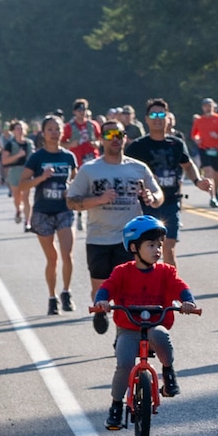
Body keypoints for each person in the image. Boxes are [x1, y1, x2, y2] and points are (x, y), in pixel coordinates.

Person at [91, 215, 201, 430]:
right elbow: (107, 287)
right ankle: (116, 407)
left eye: (159, 245)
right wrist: (101, 301)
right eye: (151, 245)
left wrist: (188, 302)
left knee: (161, 336)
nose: (157, 250)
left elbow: (180, 286)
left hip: (154, 325)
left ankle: (168, 373)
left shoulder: (166, 272)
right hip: (128, 328)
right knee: (124, 362)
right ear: (133, 247)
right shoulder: (122, 272)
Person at [67, 123, 164, 302]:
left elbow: (159, 194)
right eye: (110, 134)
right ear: (101, 139)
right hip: (99, 238)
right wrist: (99, 199)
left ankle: (125, 326)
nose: (115, 138)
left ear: (124, 137)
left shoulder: (138, 167)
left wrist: (152, 197)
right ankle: (100, 312)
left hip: (130, 239)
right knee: (100, 289)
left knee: (128, 290)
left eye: (119, 134)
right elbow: (71, 201)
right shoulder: (89, 169)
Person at [127, 98, 206, 266]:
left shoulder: (176, 144)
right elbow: (125, 170)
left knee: (167, 247)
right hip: (145, 205)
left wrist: (198, 181)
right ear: (146, 119)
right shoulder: (138, 146)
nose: (157, 118)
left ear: (168, 117)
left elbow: (188, 165)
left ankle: (172, 289)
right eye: (153, 114)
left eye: (161, 114)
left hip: (171, 203)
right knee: (146, 250)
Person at [20, 116, 80, 314]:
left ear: (62, 132)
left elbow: (77, 181)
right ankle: (52, 297)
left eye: (57, 129)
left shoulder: (69, 157)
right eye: (50, 129)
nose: (54, 133)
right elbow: (23, 184)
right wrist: (41, 177)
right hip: (43, 212)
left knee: (67, 254)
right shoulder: (36, 157)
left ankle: (66, 292)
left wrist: (70, 188)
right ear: (43, 134)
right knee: (52, 258)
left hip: (64, 210)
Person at [191, 98, 218, 199]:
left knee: (216, 175)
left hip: (217, 149)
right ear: (202, 108)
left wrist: (217, 136)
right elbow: (194, 134)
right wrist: (197, 139)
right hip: (204, 148)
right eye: (206, 106)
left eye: (210, 106)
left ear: (213, 107)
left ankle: (216, 192)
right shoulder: (199, 120)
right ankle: (212, 196)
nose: (208, 108)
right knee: (208, 171)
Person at [0, 119, 32, 223]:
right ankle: (18, 209)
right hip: (14, 171)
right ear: (13, 131)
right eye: (17, 129)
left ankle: (27, 222)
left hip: (27, 170)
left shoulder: (29, 143)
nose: (20, 131)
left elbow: (33, 157)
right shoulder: (10, 144)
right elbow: (4, 161)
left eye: (22, 128)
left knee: (26, 197)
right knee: (17, 196)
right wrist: (18, 155)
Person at [64, 100, 99, 165]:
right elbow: (60, 143)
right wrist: (69, 144)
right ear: (74, 112)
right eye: (79, 110)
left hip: (93, 159)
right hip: (77, 160)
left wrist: (97, 143)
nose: (82, 112)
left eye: (84, 110)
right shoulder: (68, 127)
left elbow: (100, 138)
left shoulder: (93, 125)